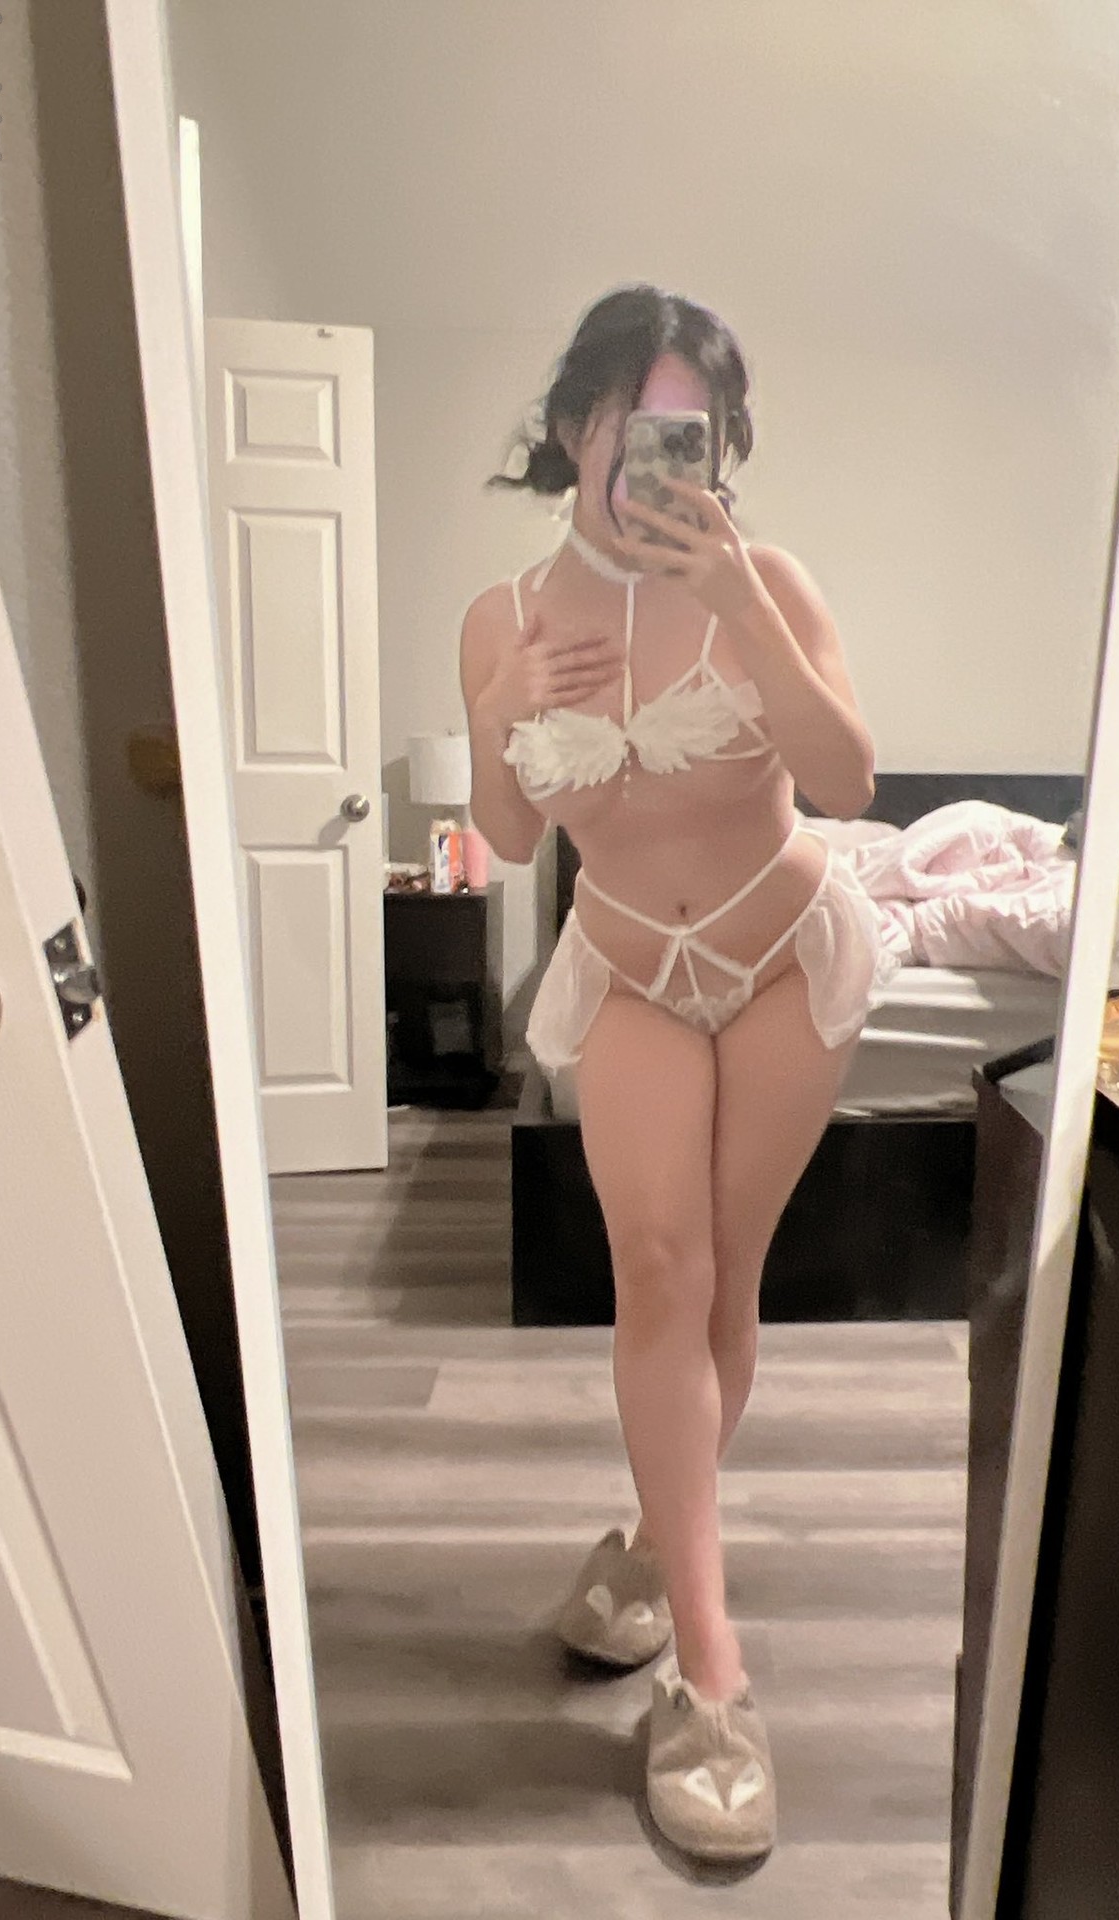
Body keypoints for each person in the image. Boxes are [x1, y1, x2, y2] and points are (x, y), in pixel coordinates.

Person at [459, 284, 892, 1861]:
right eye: (628, 418)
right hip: (633, 966)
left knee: (725, 1285)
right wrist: (504, 710)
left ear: (718, 447)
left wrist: (746, 612)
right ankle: (713, 1677)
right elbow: (509, 836)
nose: (653, 453)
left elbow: (849, 779)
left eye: (688, 431)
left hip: (783, 959)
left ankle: (658, 1544)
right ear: (575, 423)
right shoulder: (503, 618)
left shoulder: (767, 583)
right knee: (661, 1269)